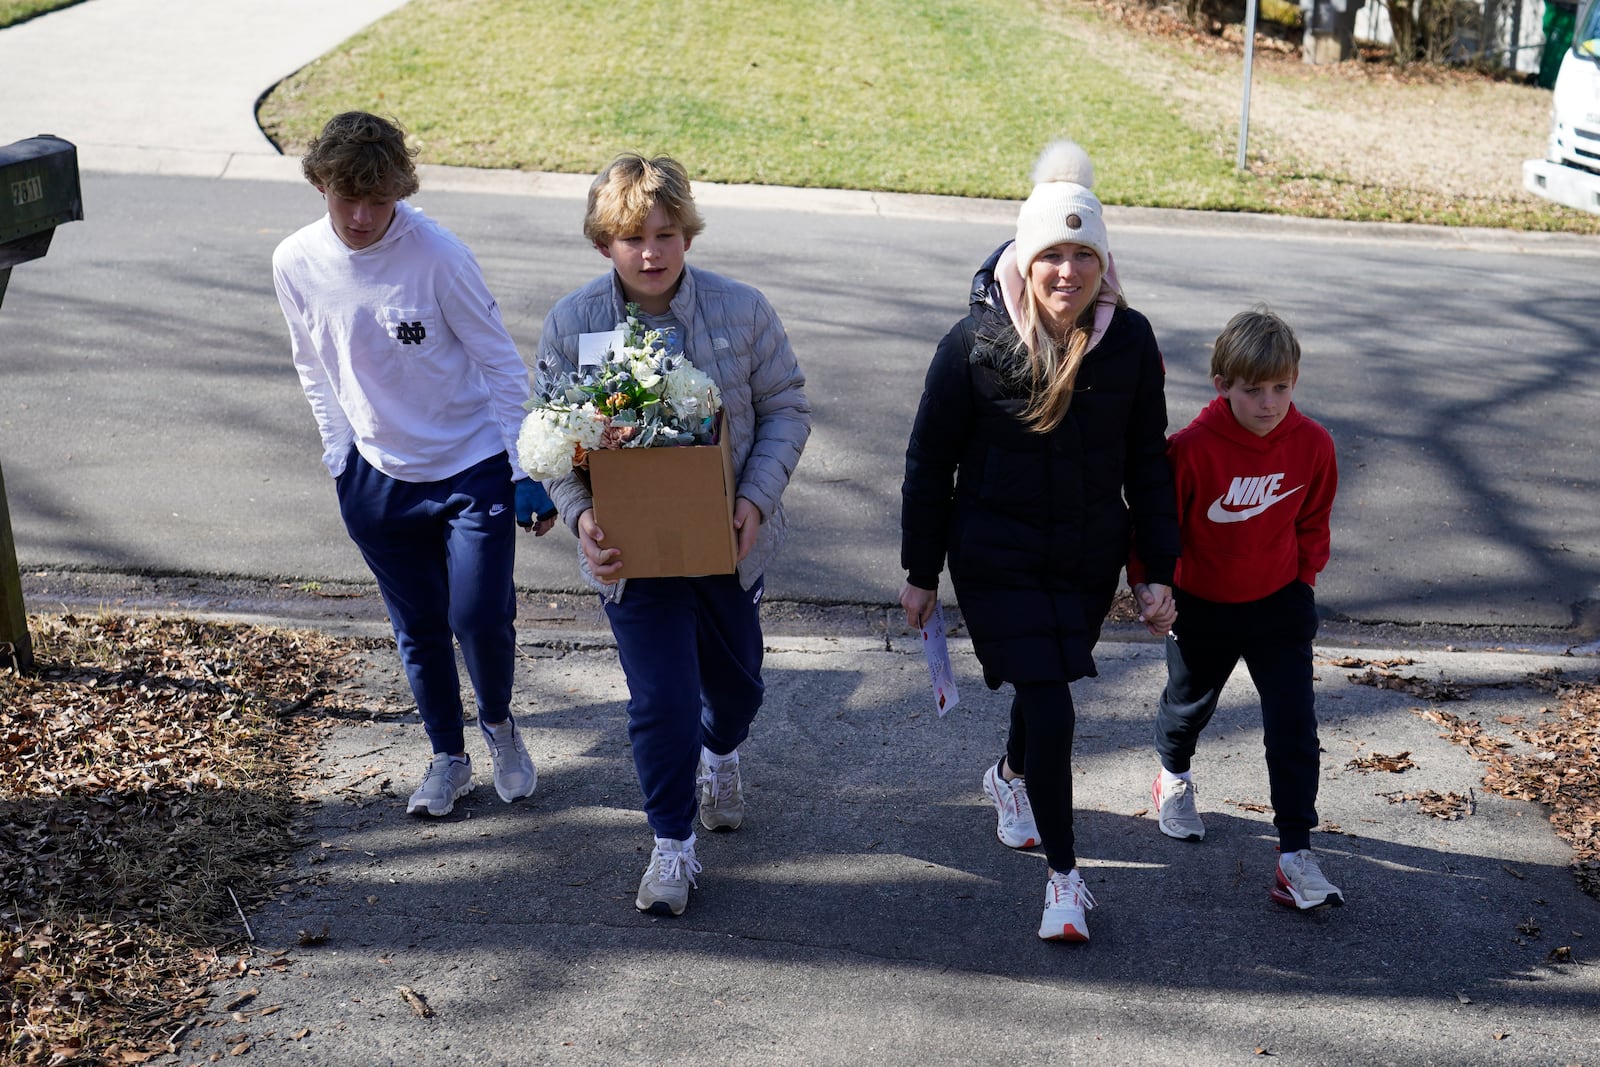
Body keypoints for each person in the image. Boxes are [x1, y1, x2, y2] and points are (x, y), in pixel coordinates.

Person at [900, 140, 1180, 942]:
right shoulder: (974, 344)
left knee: (1045, 687)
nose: (1068, 272)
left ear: (1103, 261)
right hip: (995, 554)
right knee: (1051, 700)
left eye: (1083, 254)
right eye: (1051, 255)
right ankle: (1065, 880)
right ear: (1025, 260)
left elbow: (1147, 463)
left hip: (1087, 556)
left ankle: (1009, 776)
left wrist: (1157, 568)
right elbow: (929, 460)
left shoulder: (1128, 342)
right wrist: (921, 571)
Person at [535, 153, 810, 917]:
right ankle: (671, 845)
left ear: (687, 234)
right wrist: (584, 517)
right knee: (661, 699)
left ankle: (720, 755)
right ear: (603, 245)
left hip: (730, 548)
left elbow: (787, 406)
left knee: (737, 690)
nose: (651, 252)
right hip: (633, 557)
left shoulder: (742, 310)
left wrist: (755, 498)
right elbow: (552, 437)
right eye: (631, 238)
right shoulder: (573, 323)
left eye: (665, 234)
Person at [272, 111, 556, 819]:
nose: (364, 216)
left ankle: (498, 725)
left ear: (400, 189)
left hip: (471, 465)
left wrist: (523, 469)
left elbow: (498, 361)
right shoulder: (294, 261)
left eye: (380, 199)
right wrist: (341, 457)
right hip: (374, 475)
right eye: (348, 199)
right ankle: (447, 758)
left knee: (479, 615)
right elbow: (314, 364)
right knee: (419, 627)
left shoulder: (438, 255)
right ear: (320, 184)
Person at [1139, 307, 1344, 911]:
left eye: (1281, 387)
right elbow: (1158, 529)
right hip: (1202, 606)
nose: (1269, 402)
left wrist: (1303, 582)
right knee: (1187, 707)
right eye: (1253, 390)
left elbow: (1314, 520)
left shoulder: (1313, 445)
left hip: (1278, 604)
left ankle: (1294, 853)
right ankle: (1172, 777)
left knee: (1294, 726)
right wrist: (1157, 586)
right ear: (1221, 385)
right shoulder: (1191, 450)